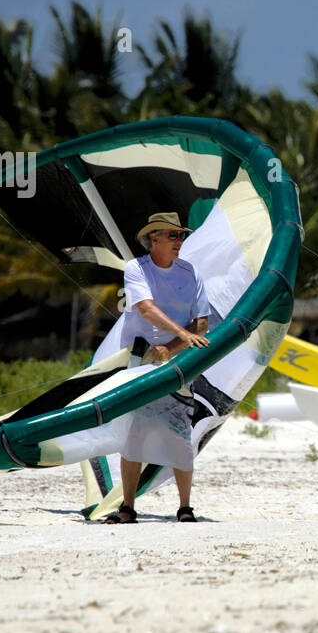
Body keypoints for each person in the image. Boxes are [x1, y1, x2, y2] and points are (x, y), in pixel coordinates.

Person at [106, 212, 214, 523]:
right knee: (134, 433)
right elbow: (145, 308)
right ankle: (127, 507)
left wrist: (174, 346)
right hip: (141, 360)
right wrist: (182, 334)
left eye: (181, 236)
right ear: (154, 239)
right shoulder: (137, 268)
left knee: (178, 432)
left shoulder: (189, 272)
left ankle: (184, 506)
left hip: (178, 363)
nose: (179, 241)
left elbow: (202, 323)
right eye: (173, 236)